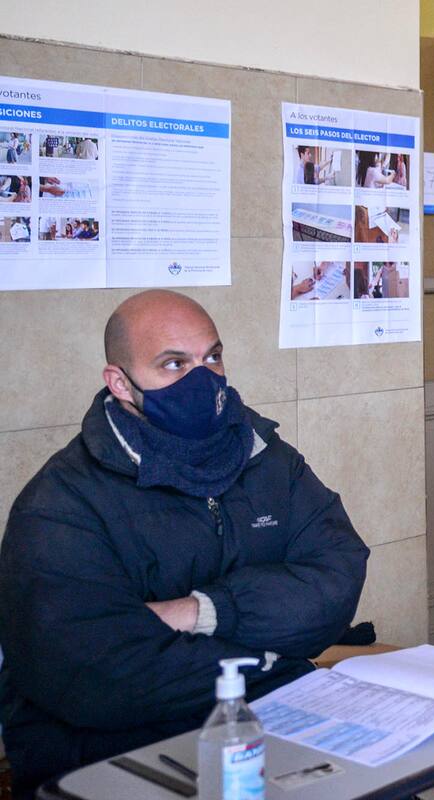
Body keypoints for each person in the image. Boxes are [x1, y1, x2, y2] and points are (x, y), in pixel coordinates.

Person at [0, 290, 369, 796]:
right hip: (110, 751)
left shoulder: (267, 458)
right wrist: (267, 654)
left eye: (211, 358)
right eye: (174, 364)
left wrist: (201, 612)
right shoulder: (61, 502)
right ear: (120, 383)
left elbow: (337, 579)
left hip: (270, 717)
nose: (203, 379)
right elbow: (96, 673)